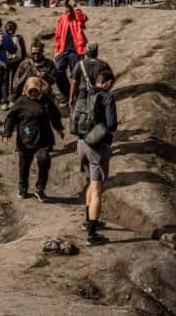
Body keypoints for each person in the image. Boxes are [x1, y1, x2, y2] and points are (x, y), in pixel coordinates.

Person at [72, 68, 117, 245]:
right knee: (97, 189)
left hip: (81, 143)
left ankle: (88, 221)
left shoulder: (85, 93)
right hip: (97, 146)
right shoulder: (107, 97)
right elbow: (112, 124)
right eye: (111, 84)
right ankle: (92, 235)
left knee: (91, 184)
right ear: (106, 83)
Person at [3, 77, 64, 201]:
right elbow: (11, 118)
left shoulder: (46, 100)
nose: (34, 94)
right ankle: (23, 187)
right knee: (24, 164)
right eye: (31, 91)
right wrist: (7, 133)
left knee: (44, 160)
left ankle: (40, 189)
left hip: (44, 137)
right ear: (26, 90)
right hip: (26, 136)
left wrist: (58, 128)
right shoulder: (21, 102)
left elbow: (54, 114)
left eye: (36, 91)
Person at [54, 0, 88, 104]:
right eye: (66, 8)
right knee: (58, 71)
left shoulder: (77, 17)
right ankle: (66, 93)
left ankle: (77, 96)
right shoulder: (62, 18)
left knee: (76, 74)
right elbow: (58, 35)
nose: (67, 11)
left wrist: (76, 7)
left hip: (76, 50)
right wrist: (57, 50)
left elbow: (83, 19)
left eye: (69, 8)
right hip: (63, 50)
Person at [69, 42, 112, 107]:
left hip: (83, 95)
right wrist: (106, 91)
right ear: (97, 52)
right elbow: (111, 80)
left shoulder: (80, 64)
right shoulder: (104, 64)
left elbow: (74, 82)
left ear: (85, 51)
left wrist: (71, 98)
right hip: (99, 94)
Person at [2, 20, 27, 110]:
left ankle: (5, 101)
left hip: (6, 60)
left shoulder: (2, 37)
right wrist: (23, 59)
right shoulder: (19, 37)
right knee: (14, 80)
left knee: (6, 80)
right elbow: (23, 50)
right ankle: (12, 99)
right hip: (16, 60)